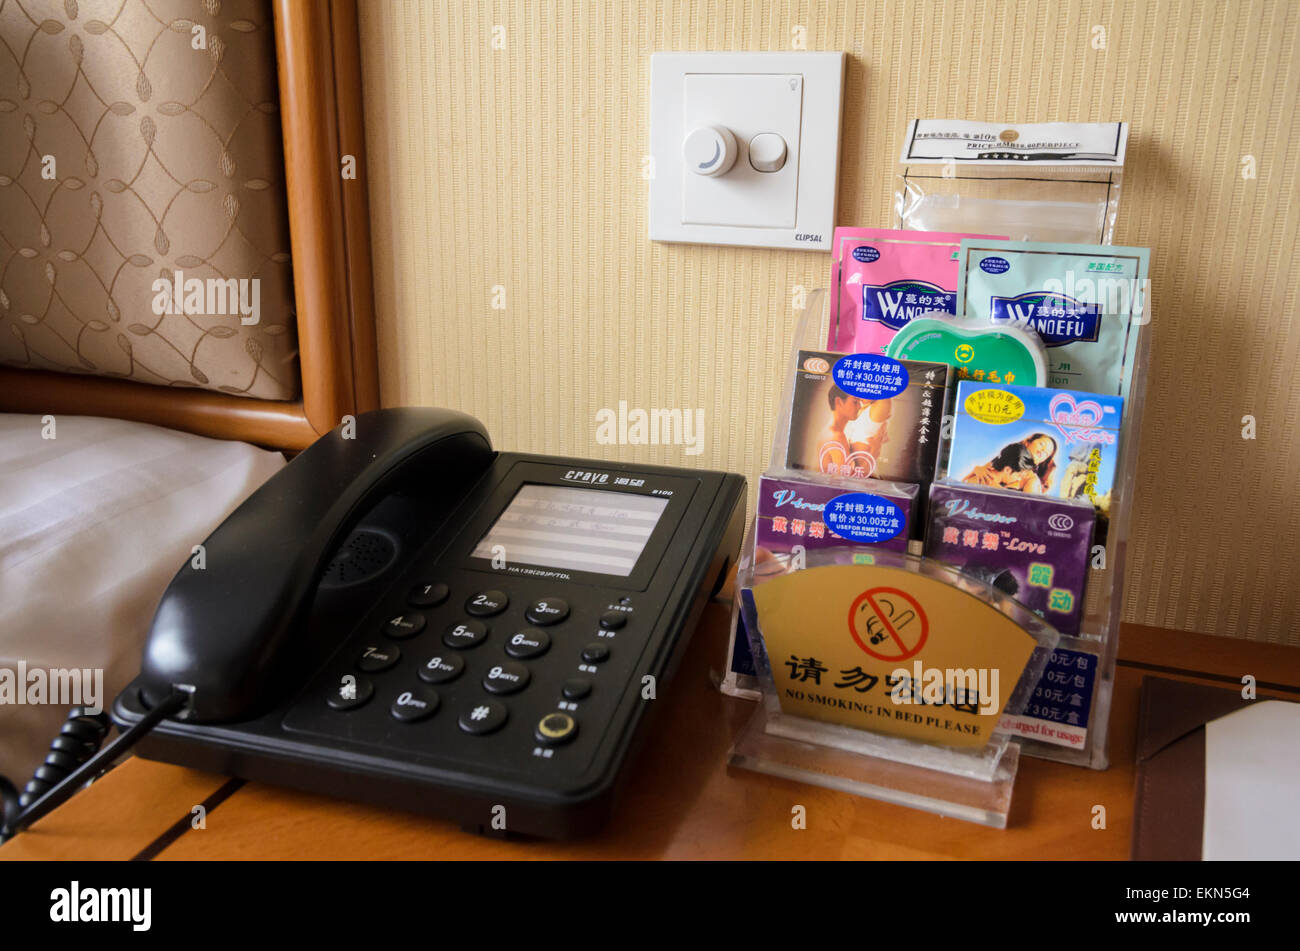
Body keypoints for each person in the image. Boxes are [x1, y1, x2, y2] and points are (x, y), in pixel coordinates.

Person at [816, 384, 891, 476]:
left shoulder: (835, 429)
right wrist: (876, 449)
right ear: (839, 402)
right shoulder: (836, 437)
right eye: (855, 402)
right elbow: (846, 479)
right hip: (861, 482)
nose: (859, 406)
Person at [961, 432, 1058, 494]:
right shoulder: (1005, 457)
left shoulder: (1032, 481)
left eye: (1047, 453)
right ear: (1028, 442)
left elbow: (1029, 511)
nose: (1043, 450)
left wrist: (995, 487)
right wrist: (976, 470)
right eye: (1042, 444)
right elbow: (962, 484)